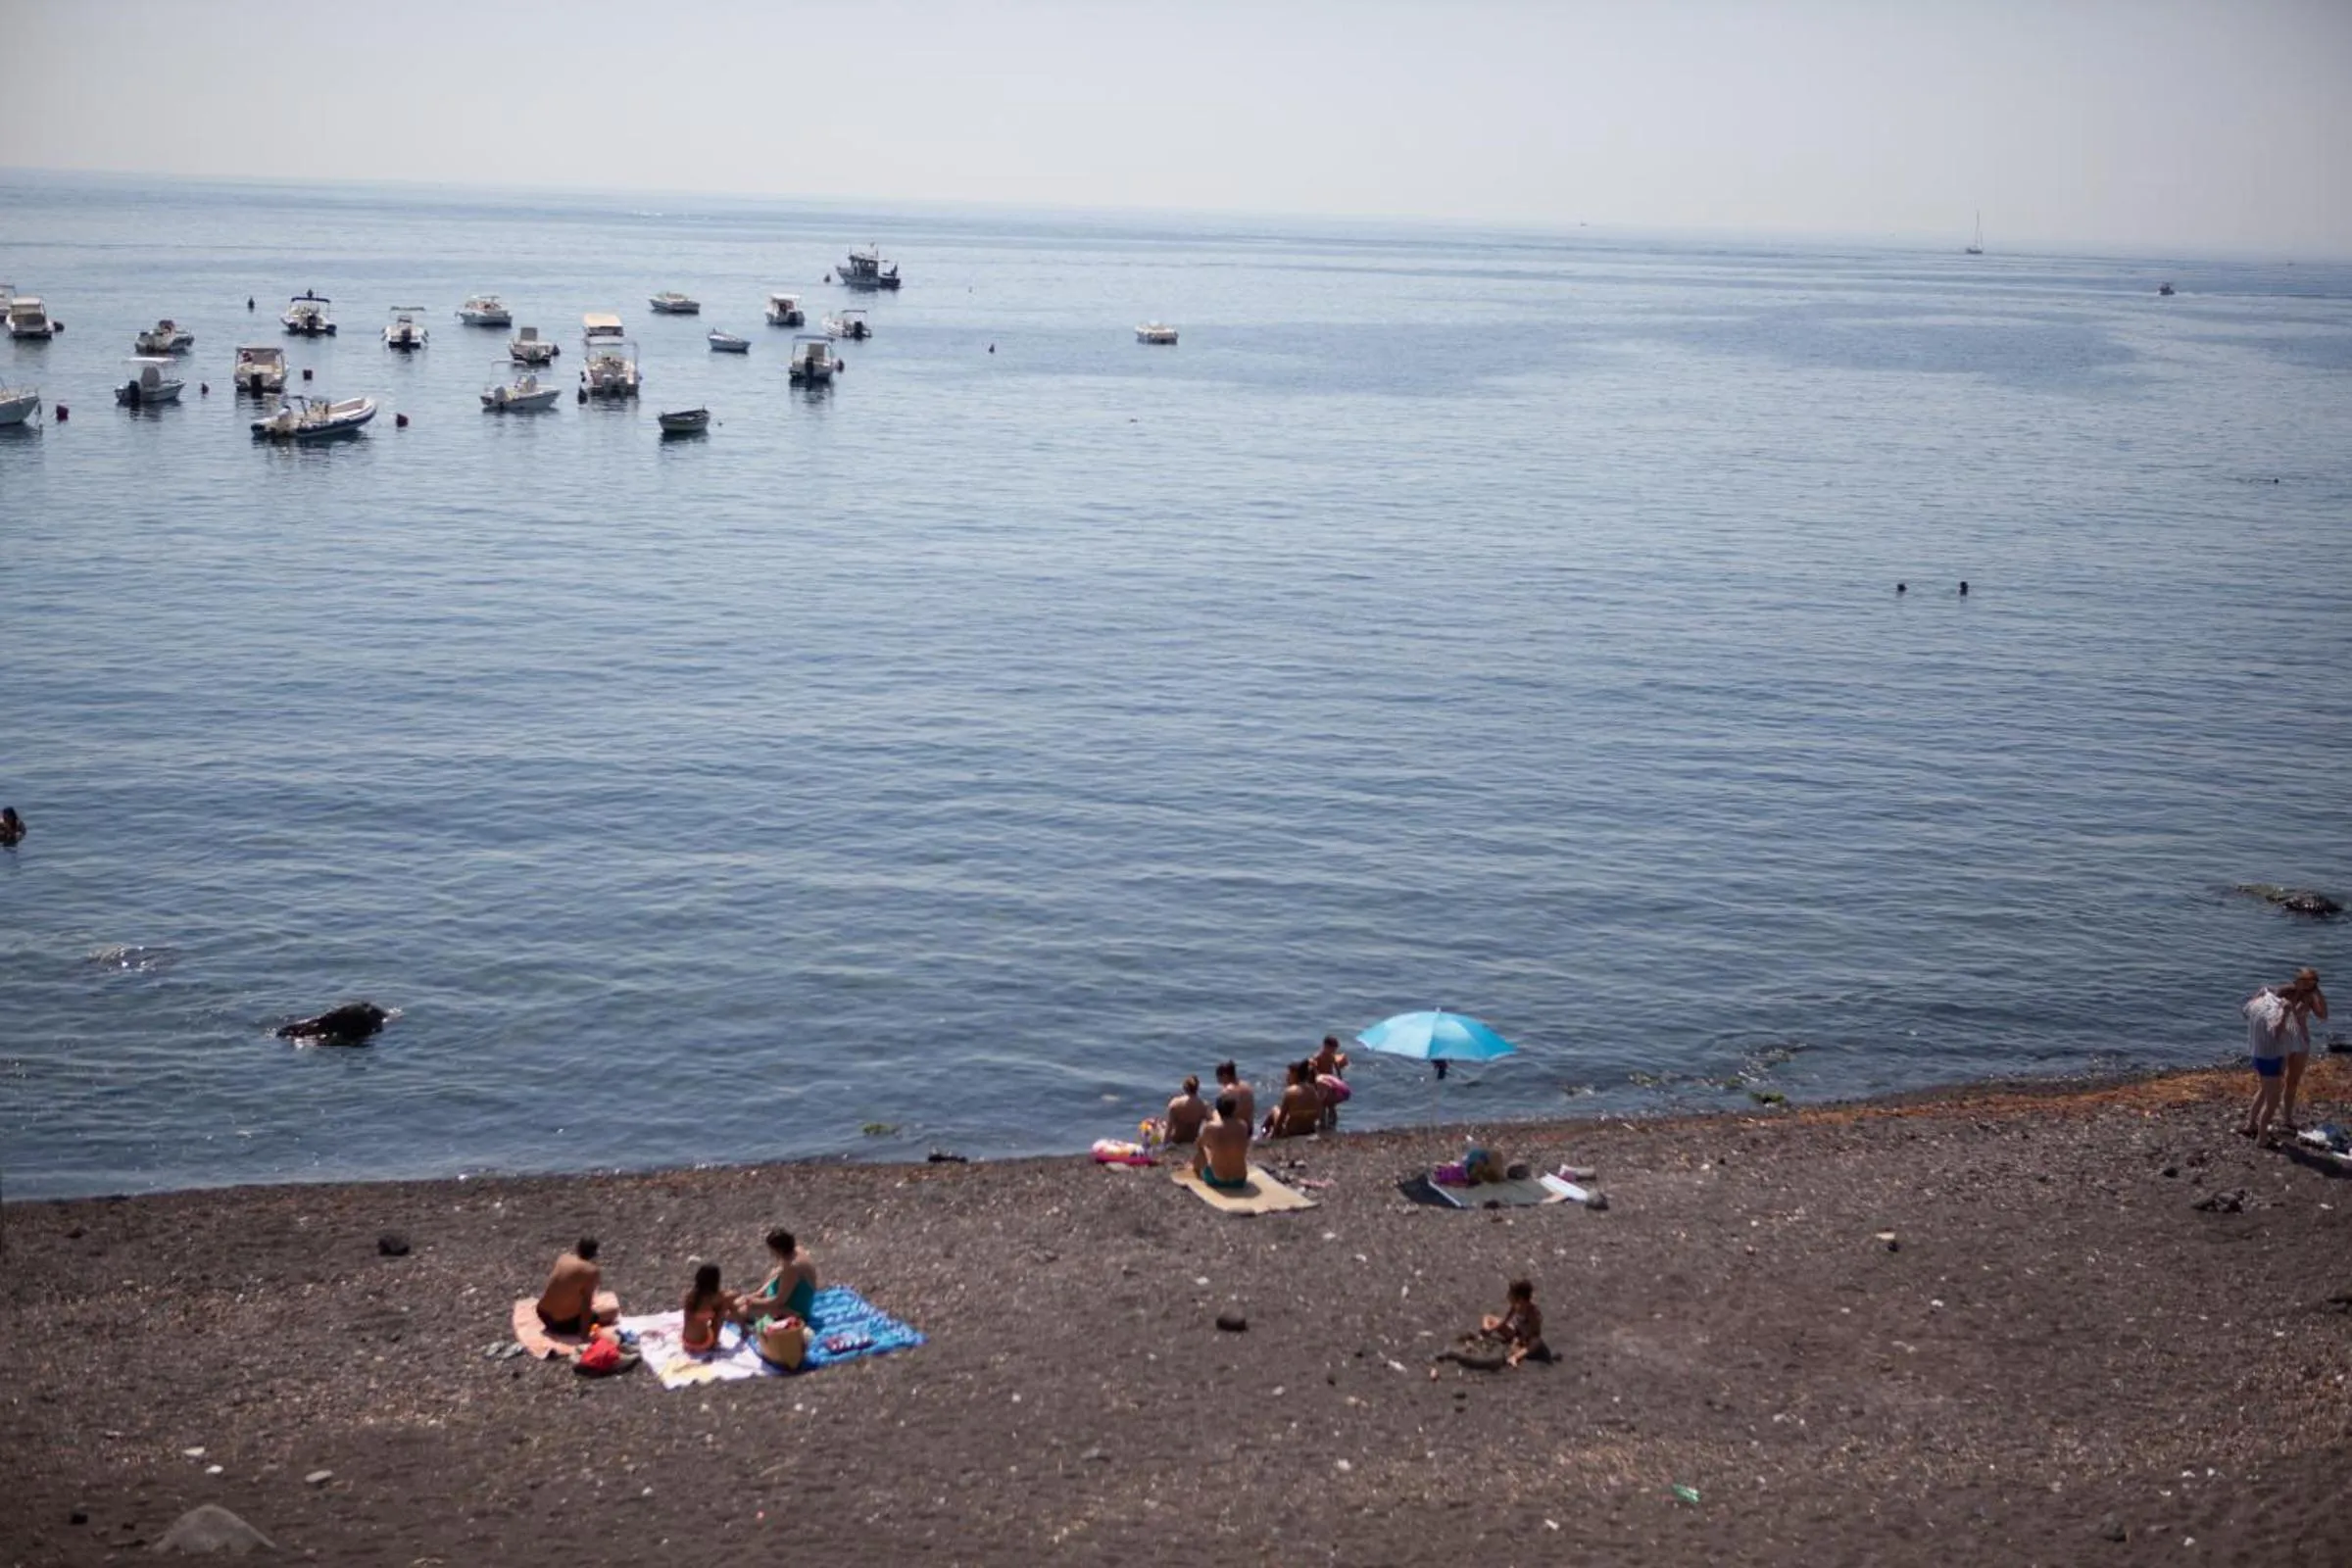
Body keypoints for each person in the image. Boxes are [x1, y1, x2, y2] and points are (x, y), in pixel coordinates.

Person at [2240, 982, 2293, 1143]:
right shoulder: (2275, 1009)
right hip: (2271, 1057)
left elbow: (2245, 1011)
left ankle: (2250, 1125)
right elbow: (2276, 1032)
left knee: (2263, 1090)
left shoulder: (2258, 1003)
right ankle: (2262, 1136)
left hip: (2258, 1054)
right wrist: (2285, 1012)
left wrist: (2258, 995)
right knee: (2273, 1100)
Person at [2280, 968, 2329, 1135]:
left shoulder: (2309, 997)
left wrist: (2318, 994)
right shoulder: (2285, 992)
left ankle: (2287, 1117)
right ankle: (2266, 1114)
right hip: (2282, 1040)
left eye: (2312, 983)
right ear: (2298, 980)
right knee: (2276, 1079)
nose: (2308, 985)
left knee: (2292, 1081)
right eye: (2306, 981)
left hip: (2301, 1041)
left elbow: (2323, 1015)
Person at [741, 1227, 819, 1324]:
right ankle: (757, 1298)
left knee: (743, 1310)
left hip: (796, 1310)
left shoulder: (791, 1268)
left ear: (778, 1250)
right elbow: (777, 1273)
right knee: (774, 1272)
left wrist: (754, 1302)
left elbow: (779, 1301)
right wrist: (759, 1292)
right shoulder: (797, 1250)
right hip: (796, 1295)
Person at [535, 1237, 611, 1336]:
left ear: (578, 1248)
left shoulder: (564, 1258)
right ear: (594, 1254)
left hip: (543, 1314)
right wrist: (584, 1334)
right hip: (561, 1324)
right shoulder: (592, 1271)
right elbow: (586, 1305)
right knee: (611, 1312)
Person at [1193, 1094, 1253, 1192]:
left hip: (1217, 1180)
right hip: (1240, 1181)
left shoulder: (1211, 1127)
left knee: (1203, 1147)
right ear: (1234, 1109)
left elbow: (1200, 1143)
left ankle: (1196, 1169)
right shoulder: (1243, 1125)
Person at [1481, 1279, 1548, 1365]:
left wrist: (1520, 1340)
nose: (1508, 1296)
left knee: (1536, 1342)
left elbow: (1535, 1332)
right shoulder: (1516, 1307)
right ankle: (1485, 1334)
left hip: (1527, 1338)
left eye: (1510, 1294)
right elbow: (1505, 1321)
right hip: (1515, 1332)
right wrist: (1491, 1329)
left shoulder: (1532, 1312)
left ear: (1519, 1298)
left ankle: (1515, 1357)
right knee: (1488, 1318)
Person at [680, 1262, 739, 1356]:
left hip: (686, 1341)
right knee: (723, 1306)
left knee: (721, 1304)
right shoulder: (715, 1297)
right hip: (703, 1344)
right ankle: (742, 1324)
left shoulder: (690, 1295)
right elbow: (735, 1294)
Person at [1262, 1059, 1324, 1139]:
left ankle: (1263, 1133)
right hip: (1309, 1129)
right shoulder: (1313, 1090)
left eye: (1289, 1074)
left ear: (1295, 1075)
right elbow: (1318, 1113)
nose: (1287, 1077)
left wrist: (1274, 1136)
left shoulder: (1290, 1091)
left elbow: (1281, 1119)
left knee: (1274, 1110)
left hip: (1292, 1132)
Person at [1310, 1036, 1351, 1131]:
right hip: (1321, 1083)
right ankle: (1322, 1122)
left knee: (1331, 1104)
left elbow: (1336, 1066)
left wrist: (1340, 1079)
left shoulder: (1331, 1056)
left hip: (1331, 1081)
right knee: (1322, 1103)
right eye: (1332, 1049)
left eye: (1335, 1050)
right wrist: (1317, 1078)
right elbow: (1314, 1069)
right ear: (1325, 1046)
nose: (1333, 1051)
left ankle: (1333, 1122)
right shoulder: (1318, 1057)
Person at [1162, 1075, 1210, 1146]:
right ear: (1197, 1088)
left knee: (1159, 1126)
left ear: (1184, 1087)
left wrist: (1164, 1145)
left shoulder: (1175, 1103)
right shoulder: (1204, 1106)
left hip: (1176, 1141)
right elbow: (1210, 1126)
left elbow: (1169, 1128)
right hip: (1192, 1141)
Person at [1213, 1060, 1255, 1132]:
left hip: (1235, 1131)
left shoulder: (1227, 1091)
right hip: (1249, 1129)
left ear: (1225, 1075)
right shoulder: (1247, 1086)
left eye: (1218, 1076)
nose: (1217, 1080)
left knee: (1214, 1113)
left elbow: (1223, 1116)